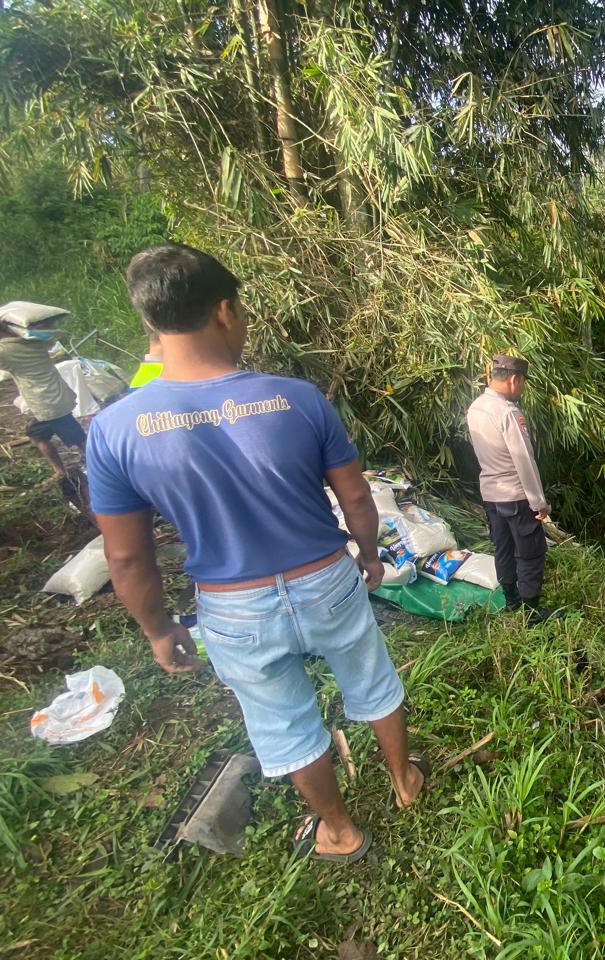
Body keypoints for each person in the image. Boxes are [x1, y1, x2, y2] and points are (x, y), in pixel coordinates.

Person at [86, 243, 422, 862]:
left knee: (284, 720)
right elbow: (356, 496)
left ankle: (339, 831)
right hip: (325, 578)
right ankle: (406, 781)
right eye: (240, 311)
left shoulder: (114, 429)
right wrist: (369, 555)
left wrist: (159, 629)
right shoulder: (296, 397)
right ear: (223, 312)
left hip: (233, 606)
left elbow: (128, 559)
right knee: (373, 681)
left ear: (151, 327)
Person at [466, 353, 556, 624]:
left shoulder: (475, 408)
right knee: (530, 553)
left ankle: (512, 602)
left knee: (503, 549)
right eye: (524, 382)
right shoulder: (507, 412)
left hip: (492, 496)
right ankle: (531, 614)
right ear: (515, 379)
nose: (523, 388)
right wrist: (539, 502)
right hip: (516, 496)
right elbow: (524, 460)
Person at [0, 303, 90, 513]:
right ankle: (62, 469)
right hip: (55, 399)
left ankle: (85, 465)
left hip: (48, 404)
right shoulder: (34, 341)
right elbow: (49, 333)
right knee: (39, 434)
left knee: (78, 440)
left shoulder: (6, 351)